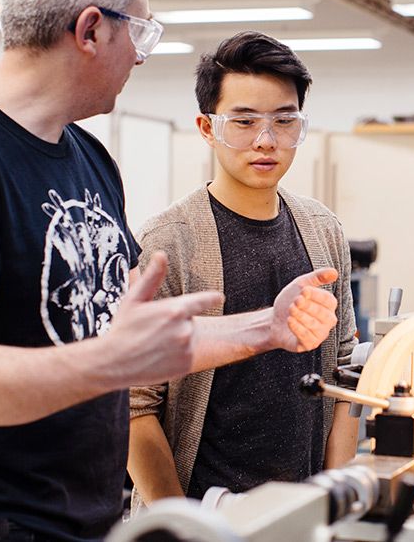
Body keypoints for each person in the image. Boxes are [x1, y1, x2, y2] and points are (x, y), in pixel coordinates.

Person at [0, 0, 340, 541]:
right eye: (138, 30)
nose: (139, 57)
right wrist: (107, 363)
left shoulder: (87, 158)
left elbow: (134, 348)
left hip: (90, 522)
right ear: (89, 30)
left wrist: (266, 328)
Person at [128, 32, 358, 506]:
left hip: (303, 515)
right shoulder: (169, 242)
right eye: (244, 121)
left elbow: (344, 379)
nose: (266, 141)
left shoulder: (323, 230)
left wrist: (335, 506)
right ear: (207, 128)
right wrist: (181, 525)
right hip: (203, 515)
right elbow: (133, 405)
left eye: (284, 121)